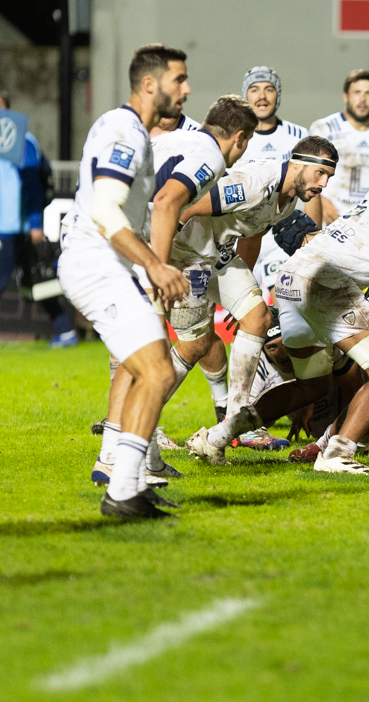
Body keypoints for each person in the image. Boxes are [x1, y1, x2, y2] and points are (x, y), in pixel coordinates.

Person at [188, 137, 369, 475]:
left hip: (292, 277)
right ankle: (337, 454)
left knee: (313, 386)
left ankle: (216, 437)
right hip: (324, 283)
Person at [93, 94, 256, 488]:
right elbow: (166, 204)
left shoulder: (171, 140)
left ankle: (137, 458)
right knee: (151, 360)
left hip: (111, 237)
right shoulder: (210, 155)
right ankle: (117, 458)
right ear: (239, 136)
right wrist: (158, 269)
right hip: (129, 247)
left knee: (146, 355)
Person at [57, 44, 192, 519]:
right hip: (94, 263)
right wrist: (154, 265)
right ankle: (122, 492)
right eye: (179, 79)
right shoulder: (125, 131)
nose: (186, 89)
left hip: (107, 262)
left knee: (147, 368)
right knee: (156, 370)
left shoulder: (133, 130)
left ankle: (127, 482)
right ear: (150, 84)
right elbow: (103, 210)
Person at [162, 135, 335, 447]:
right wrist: (161, 263)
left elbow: (251, 237)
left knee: (257, 317)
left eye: (329, 177)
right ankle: (140, 421)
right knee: (195, 346)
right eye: (319, 173)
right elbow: (186, 208)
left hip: (219, 255)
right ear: (297, 164)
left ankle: (236, 423)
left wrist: (241, 295)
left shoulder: (289, 199)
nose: (323, 184)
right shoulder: (256, 182)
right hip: (188, 254)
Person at [0, 92, 76, 346]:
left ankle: (66, 332)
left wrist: (35, 224)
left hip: (12, 226)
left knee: (29, 277)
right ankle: (65, 331)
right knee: (35, 278)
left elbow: (33, 186)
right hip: (9, 226)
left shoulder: (21, 141)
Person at [239, 66, 311, 294]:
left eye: (269, 89)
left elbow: (312, 191)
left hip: (280, 234)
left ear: (277, 95)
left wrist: (310, 242)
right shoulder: (234, 137)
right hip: (240, 235)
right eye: (254, 89)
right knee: (242, 305)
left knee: (283, 298)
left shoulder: (298, 136)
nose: (262, 96)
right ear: (245, 96)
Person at [306, 69, 369, 224]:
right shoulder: (324, 128)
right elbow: (307, 177)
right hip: (330, 217)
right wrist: (323, 204)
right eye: (357, 92)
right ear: (345, 96)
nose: (362, 99)